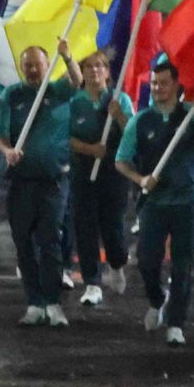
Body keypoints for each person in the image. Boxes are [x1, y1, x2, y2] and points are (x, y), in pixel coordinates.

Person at [114, 60, 194, 347]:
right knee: (147, 260)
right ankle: (157, 299)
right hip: (154, 203)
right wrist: (140, 179)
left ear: (177, 85)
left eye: (163, 83)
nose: (157, 88)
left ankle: (177, 323)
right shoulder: (141, 121)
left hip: (187, 204)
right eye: (154, 83)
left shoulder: (192, 117)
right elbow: (121, 160)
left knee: (182, 266)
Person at [0, 40, 82, 327]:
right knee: (24, 245)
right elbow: (1, 135)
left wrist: (68, 57)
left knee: (50, 241)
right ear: (21, 68)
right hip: (20, 183)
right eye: (27, 65)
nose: (32, 70)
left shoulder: (57, 91)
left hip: (54, 182)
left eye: (38, 64)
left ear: (47, 66)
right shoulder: (11, 95)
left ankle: (53, 302)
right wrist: (8, 152)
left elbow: (77, 80)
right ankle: (34, 302)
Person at [64, 49, 132, 308]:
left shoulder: (119, 100)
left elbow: (131, 134)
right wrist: (89, 149)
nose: (95, 71)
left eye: (100, 66)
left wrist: (120, 116)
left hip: (113, 173)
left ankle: (117, 264)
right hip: (82, 171)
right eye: (89, 66)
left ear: (107, 71)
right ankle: (92, 282)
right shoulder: (74, 102)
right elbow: (66, 137)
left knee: (113, 226)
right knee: (85, 227)